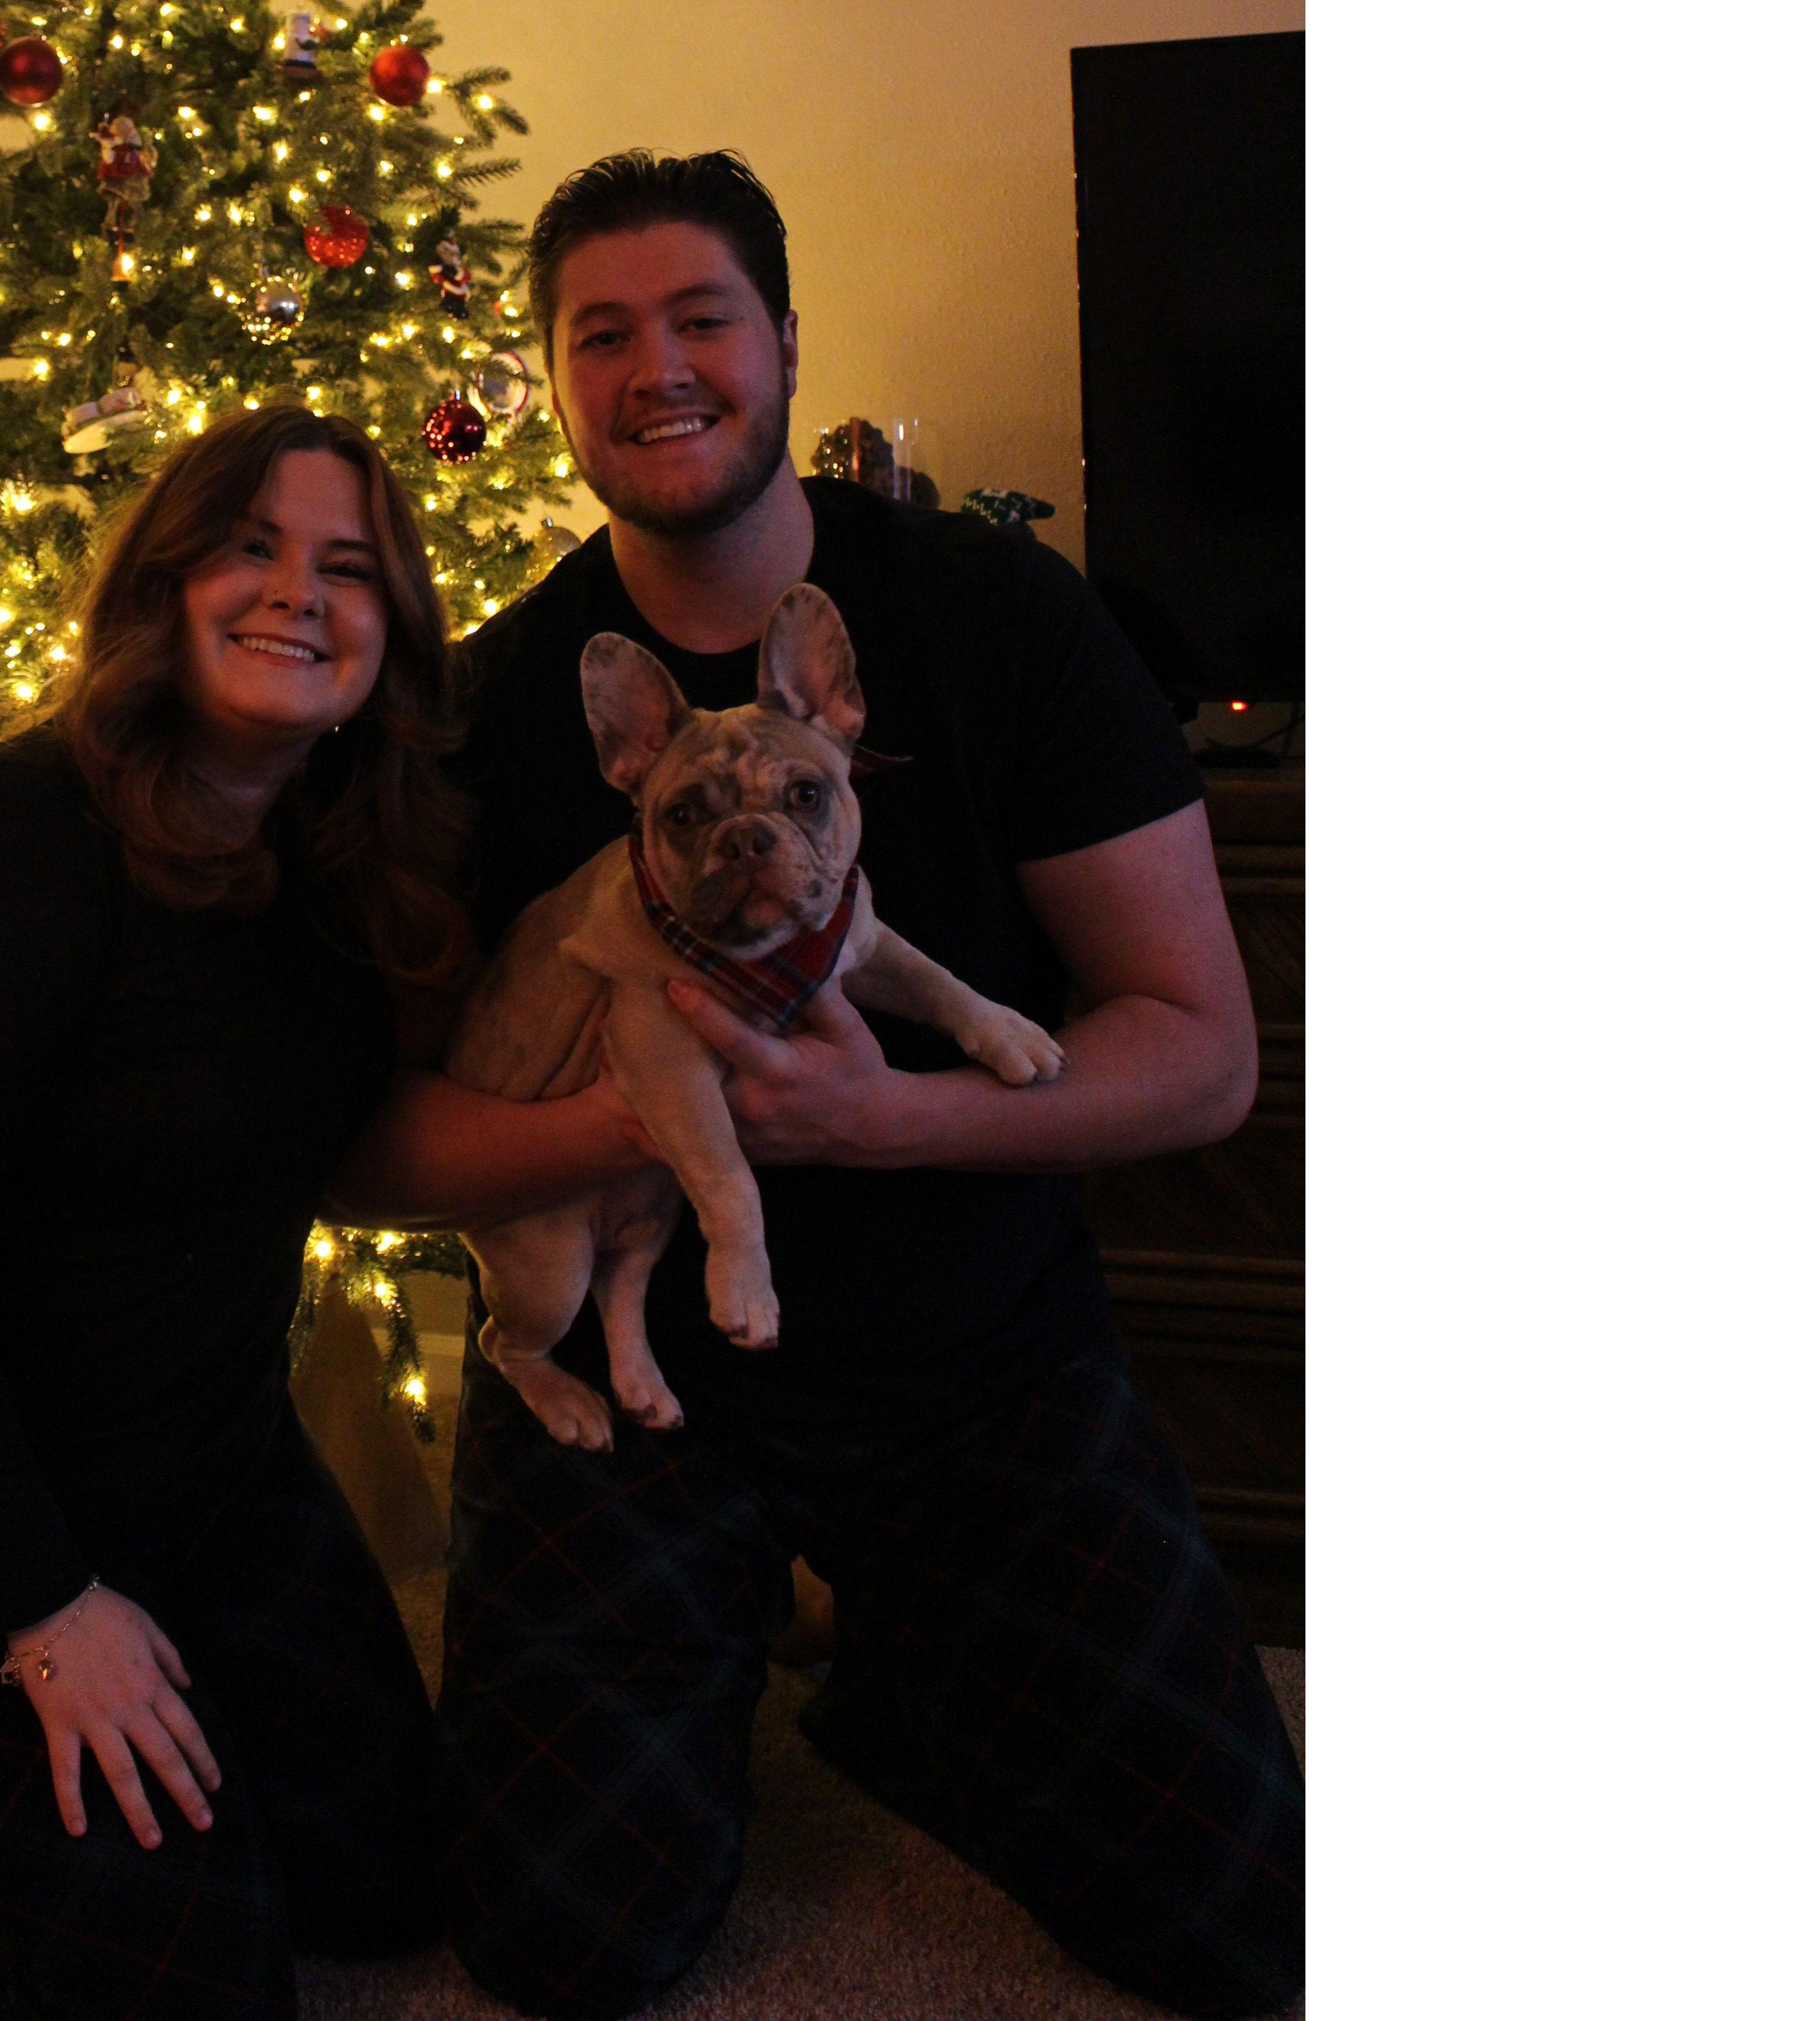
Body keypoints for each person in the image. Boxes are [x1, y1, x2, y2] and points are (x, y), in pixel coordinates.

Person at [329, 150, 1307, 2021]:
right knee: (561, 1941)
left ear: (783, 337)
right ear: (554, 382)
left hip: (980, 1354)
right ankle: (760, 1654)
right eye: (601, 335)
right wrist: (624, 1129)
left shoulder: (1000, 616)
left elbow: (1200, 1055)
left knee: (1249, 1929)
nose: (657, 369)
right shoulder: (490, 702)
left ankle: (902, 1691)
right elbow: (363, 1140)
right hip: (643, 1376)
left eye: (702, 318)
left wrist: (890, 1119)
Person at [0, 406, 493, 2021]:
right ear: (165, 581)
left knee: (392, 1882)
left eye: (350, 568)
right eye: (250, 547)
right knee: (193, 1983)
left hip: (205, 1462)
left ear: (396, 628)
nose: (297, 593)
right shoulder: (10, 836)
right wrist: (47, 1610)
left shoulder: (355, 863)